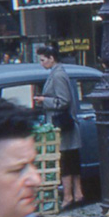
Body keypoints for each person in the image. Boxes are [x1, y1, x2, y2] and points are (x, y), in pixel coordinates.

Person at [33, 46, 83, 208]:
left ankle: (69, 196)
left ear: (51, 58)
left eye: (42, 60)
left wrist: (43, 100)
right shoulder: (58, 73)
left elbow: (63, 101)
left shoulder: (58, 75)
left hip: (62, 124)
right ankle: (77, 193)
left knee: (66, 162)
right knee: (72, 161)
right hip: (66, 124)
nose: (41, 64)